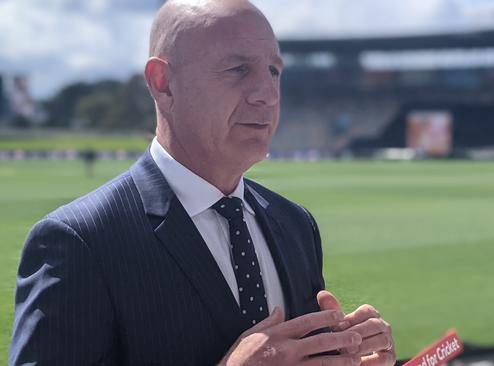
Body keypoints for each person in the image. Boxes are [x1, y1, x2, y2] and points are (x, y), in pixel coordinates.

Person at [9, 1, 396, 365]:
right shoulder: (78, 241)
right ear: (163, 83)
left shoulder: (295, 224)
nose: (267, 94)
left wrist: (345, 353)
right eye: (238, 69)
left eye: (274, 71)